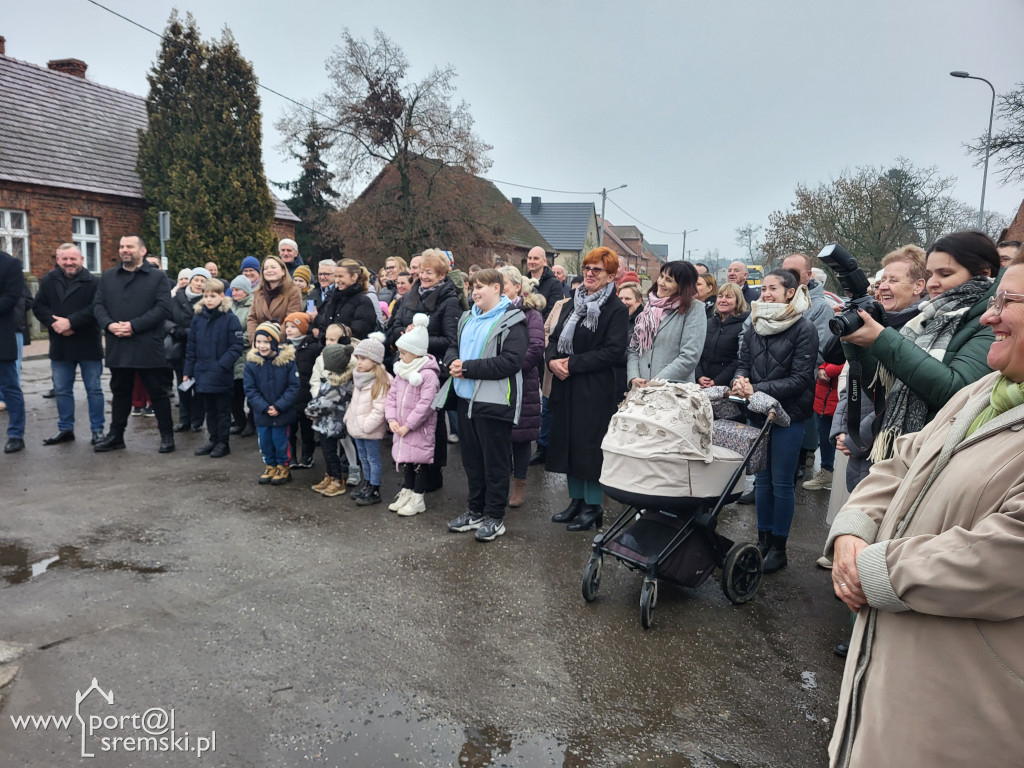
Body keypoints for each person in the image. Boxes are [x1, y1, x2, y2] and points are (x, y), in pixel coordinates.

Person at [822, 253, 1024, 768]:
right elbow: (905, 456)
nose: (988, 316)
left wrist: (871, 570)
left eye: (1007, 302)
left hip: (966, 705)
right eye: (993, 300)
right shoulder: (987, 391)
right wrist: (852, 529)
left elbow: (1006, 555)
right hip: (894, 677)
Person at [840, 230, 998, 463]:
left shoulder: (991, 322)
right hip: (907, 452)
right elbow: (883, 387)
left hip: (942, 453)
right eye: (931, 274)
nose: (933, 283)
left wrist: (882, 340)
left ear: (984, 274)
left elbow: (957, 391)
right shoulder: (928, 317)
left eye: (945, 273)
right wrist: (856, 344)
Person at [731, 268, 818, 572]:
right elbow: (743, 361)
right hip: (757, 411)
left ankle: (778, 548)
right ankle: (762, 539)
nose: (766, 294)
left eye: (773, 289)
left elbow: (800, 379)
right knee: (762, 481)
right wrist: (741, 381)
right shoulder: (756, 323)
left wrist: (758, 388)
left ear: (790, 292)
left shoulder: (804, 328)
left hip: (789, 416)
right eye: (764, 289)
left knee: (781, 483)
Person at [439, 269, 528, 541]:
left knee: (495, 463)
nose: (475, 292)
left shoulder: (512, 320)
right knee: (472, 462)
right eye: (473, 287)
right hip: (466, 399)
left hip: (494, 402)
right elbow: (453, 346)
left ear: (498, 289)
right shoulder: (467, 317)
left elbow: (510, 362)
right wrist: (453, 360)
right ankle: (475, 510)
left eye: (482, 287)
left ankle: (494, 517)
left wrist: (467, 368)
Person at [831, 245, 928, 491]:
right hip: (858, 447)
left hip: (888, 452)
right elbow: (852, 378)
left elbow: (896, 396)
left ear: (919, 286)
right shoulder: (870, 323)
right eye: (882, 280)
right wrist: (842, 429)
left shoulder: (924, 331)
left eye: (893, 280)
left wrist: (856, 438)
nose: (882, 286)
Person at [546, 247, 629, 531]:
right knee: (568, 444)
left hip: (594, 389)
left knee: (589, 449)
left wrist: (572, 363)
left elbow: (614, 351)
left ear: (610, 275)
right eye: (587, 268)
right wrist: (552, 361)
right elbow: (554, 339)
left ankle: (592, 506)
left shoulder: (616, 309)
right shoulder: (573, 303)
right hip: (566, 386)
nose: (590, 274)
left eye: (597, 270)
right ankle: (575, 501)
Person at [386, 249, 462, 490]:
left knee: (431, 422)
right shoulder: (410, 295)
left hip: (430, 369)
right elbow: (394, 326)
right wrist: (403, 334)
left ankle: (432, 473)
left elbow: (451, 339)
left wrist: (419, 338)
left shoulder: (449, 300)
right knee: (406, 416)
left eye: (429, 272)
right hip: (406, 366)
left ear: (441, 275)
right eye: (421, 271)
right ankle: (411, 474)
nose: (423, 276)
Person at [92, 235, 176, 454]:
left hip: (147, 344)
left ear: (143, 250)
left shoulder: (157, 277)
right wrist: (109, 325)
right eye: (121, 246)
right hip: (118, 343)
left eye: (129, 246)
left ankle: (167, 436)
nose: (124, 250)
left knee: (157, 392)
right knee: (120, 392)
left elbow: (162, 309)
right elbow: (98, 305)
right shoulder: (108, 276)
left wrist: (133, 326)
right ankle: (116, 436)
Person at [32, 243, 105, 446]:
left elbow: (96, 309)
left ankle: (97, 430)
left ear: (81, 259)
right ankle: (65, 429)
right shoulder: (48, 280)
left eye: (73, 259)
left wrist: (71, 322)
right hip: (60, 343)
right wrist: (55, 324)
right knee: (62, 390)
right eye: (65, 259)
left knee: (94, 389)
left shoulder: (94, 282)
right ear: (58, 260)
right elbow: (38, 306)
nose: (69, 263)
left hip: (88, 343)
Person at [782, 252, 840, 476]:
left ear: (808, 275)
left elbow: (819, 349)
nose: (788, 277)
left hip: (801, 383)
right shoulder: (774, 301)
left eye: (794, 273)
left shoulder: (820, 307)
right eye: (785, 271)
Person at [498, 267, 546, 509]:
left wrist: (509, 367)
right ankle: (499, 482)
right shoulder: (491, 311)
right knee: (498, 435)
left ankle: (520, 483)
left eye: (503, 283)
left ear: (518, 287)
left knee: (521, 436)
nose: (499, 288)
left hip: (521, 380)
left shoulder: (530, 314)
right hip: (495, 381)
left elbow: (536, 347)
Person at [385, 314, 441, 517]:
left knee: (419, 462)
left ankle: (418, 498)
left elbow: (426, 405)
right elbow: (391, 397)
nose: (400, 357)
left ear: (416, 353)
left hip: (418, 428)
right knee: (406, 461)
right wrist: (391, 419)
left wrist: (408, 425)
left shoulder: (428, 375)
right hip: (400, 426)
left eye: (404, 353)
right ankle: (407, 492)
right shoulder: (402, 371)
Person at [183, 279, 244, 458]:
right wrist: (188, 371)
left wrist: (221, 366)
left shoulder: (230, 319)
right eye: (206, 296)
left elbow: (236, 347)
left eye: (213, 296)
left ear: (222, 296)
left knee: (222, 409)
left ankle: (223, 442)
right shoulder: (198, 318)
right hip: (202, 371)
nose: (209, 299)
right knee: (209, 408)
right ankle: (213, 438)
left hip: (220, 373)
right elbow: (191, 346)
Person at [627, 261, 707, 388]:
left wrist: (655, 383)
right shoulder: (649, 307)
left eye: (669, 280)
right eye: (661, 276)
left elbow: (689, 356)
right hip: (641, 390)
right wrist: (634, 377)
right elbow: (634, 348)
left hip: (673, 392)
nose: (661, 282)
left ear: (681, 286)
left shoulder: (694, 309)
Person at [243, 322, 300, 485]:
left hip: (282, 413)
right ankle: (270, 465)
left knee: (281, 441)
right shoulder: (252, 364)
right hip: (263, 413)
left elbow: (293, 386)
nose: (262, 346)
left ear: (274, 342)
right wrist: (263, 407)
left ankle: (283, 466)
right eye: (258, 342)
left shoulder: (287, 362)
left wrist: (279, 406)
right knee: (265, 441)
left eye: (266, 342)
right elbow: (250, 389)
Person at [344, 333, 392, 506]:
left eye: (363, 358)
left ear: (375, 360)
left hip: (368, 429)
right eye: (358, 358)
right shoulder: (360, 377)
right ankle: (367, 483)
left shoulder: (380, 381)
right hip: (357, 427)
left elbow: (380, 410)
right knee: (363, 458)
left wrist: (366, 426)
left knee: (373, 459)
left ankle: (375, 488)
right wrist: (349, 418)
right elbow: (355, 402)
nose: (359, 362)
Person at [306, 343, 354, 498]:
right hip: (325, 423)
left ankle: (337, 479)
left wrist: (310, 410)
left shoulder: (338, 385)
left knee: (331, 453)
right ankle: (329, 475)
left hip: (333, 424)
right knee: (327, 453)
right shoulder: (332, 379)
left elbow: (324, 402)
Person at [171, 267, 210, 432]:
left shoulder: (208, 300)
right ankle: (184, 419)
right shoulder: (176, 298)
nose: (199, 284)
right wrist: (175, 330)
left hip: (202, 350)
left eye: (203, 281)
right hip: (180, 348)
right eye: (196, 280)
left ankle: (197, 420)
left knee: (199, 387)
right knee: (183, 385)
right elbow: (165, 319)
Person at [283, 312, 322, 469]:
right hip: (289, 396)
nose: (289, 330)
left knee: (307, 430)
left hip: (306, 395)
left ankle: (307, 456)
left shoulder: (313, 347)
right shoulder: (284, 348)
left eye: (294, 326)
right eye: (287, 326)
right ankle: (291, 456)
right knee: (290, 430)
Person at [696, 283, 750, 388]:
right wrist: (699, 375)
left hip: (726, 386)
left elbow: (740, 359)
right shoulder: (708, 323)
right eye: (720, 296)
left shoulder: (744, 326)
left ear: (738, 301)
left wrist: (717, 381)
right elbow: (697, 351)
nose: (723, 300)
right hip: (701, 383)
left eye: (729, 297)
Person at [802, 360, 843, 491]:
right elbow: (828, 357)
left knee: (829, 437)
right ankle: (826, 472)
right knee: (824, 434)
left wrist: (827, 370)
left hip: (835, 397)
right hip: (826, 397)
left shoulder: (853, 342)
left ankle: (827, 473)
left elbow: (849, 361)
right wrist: (821, 368)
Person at [0, 249, 26, 453]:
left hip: (1, 336)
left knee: (10, 386)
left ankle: (16, 435)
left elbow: (11, 298)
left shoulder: (10, 265)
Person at [316, 258, 377, 341]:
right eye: (336, 276)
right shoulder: (333, 299)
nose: (337, 280)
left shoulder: (363, 302)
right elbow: (324, 326)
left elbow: (358, 332)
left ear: (354, 276)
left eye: (341, 276)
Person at [246, 255, 303, 341]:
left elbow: (290, 319)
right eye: (266, 268)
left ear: (283, 271)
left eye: (273, 267)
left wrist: (272, 340)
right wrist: (255, 340)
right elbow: (252, 318)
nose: (269, 270)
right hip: (260, 344)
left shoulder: (293, 292)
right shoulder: (258, 293)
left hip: (281, 342)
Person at [228, 275, 255, 437]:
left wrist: (235, 340)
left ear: (246, 291)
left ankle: (251, 423)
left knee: (249, 393)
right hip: (232, 357)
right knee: (233, 394)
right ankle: (239, 421)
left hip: (246, 356)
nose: (234, 293)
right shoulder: (228, 306)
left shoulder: (253, 306)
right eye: (233, 290)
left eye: (238, 290)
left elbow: (251, 331)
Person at [525, 245, 563, 318]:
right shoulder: (524, 282)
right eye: (529, 258)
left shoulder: (555, 284)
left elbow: (553, 312)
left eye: (536, 258)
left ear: (544, 261)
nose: (531, 261)